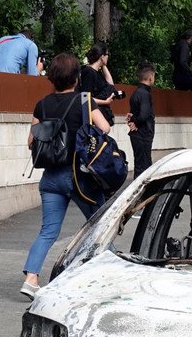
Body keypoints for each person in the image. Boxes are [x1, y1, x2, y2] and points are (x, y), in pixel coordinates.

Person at [21, 54, 112, 299]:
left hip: (50, 179)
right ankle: (114, 276)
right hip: (79, 177)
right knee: (102, 225)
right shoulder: (85, 101)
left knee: (48, 231)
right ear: (76, 77)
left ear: (52, 78)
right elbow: (105, 128)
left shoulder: (42, 104)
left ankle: (31, 278)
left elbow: (31, 140)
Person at [126, 62, 156, 179]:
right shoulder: (144, 94)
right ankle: (142, 195)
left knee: (140, 165)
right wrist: (133, 119)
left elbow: (135, 114)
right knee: (144, 167)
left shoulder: (136, 93)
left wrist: (133, 120)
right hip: (143, 135)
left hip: (138, 134)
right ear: (150, 77)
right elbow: (144, 115)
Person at [79, 42, 118, 126]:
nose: (108, 57)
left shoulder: (97, 73)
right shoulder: (88, 72)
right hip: (93, 117)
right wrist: (105, 102)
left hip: (99, 113)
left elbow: (111, 84)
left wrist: (103, 65)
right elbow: (85, 97)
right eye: (107, 54)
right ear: (102, 56)